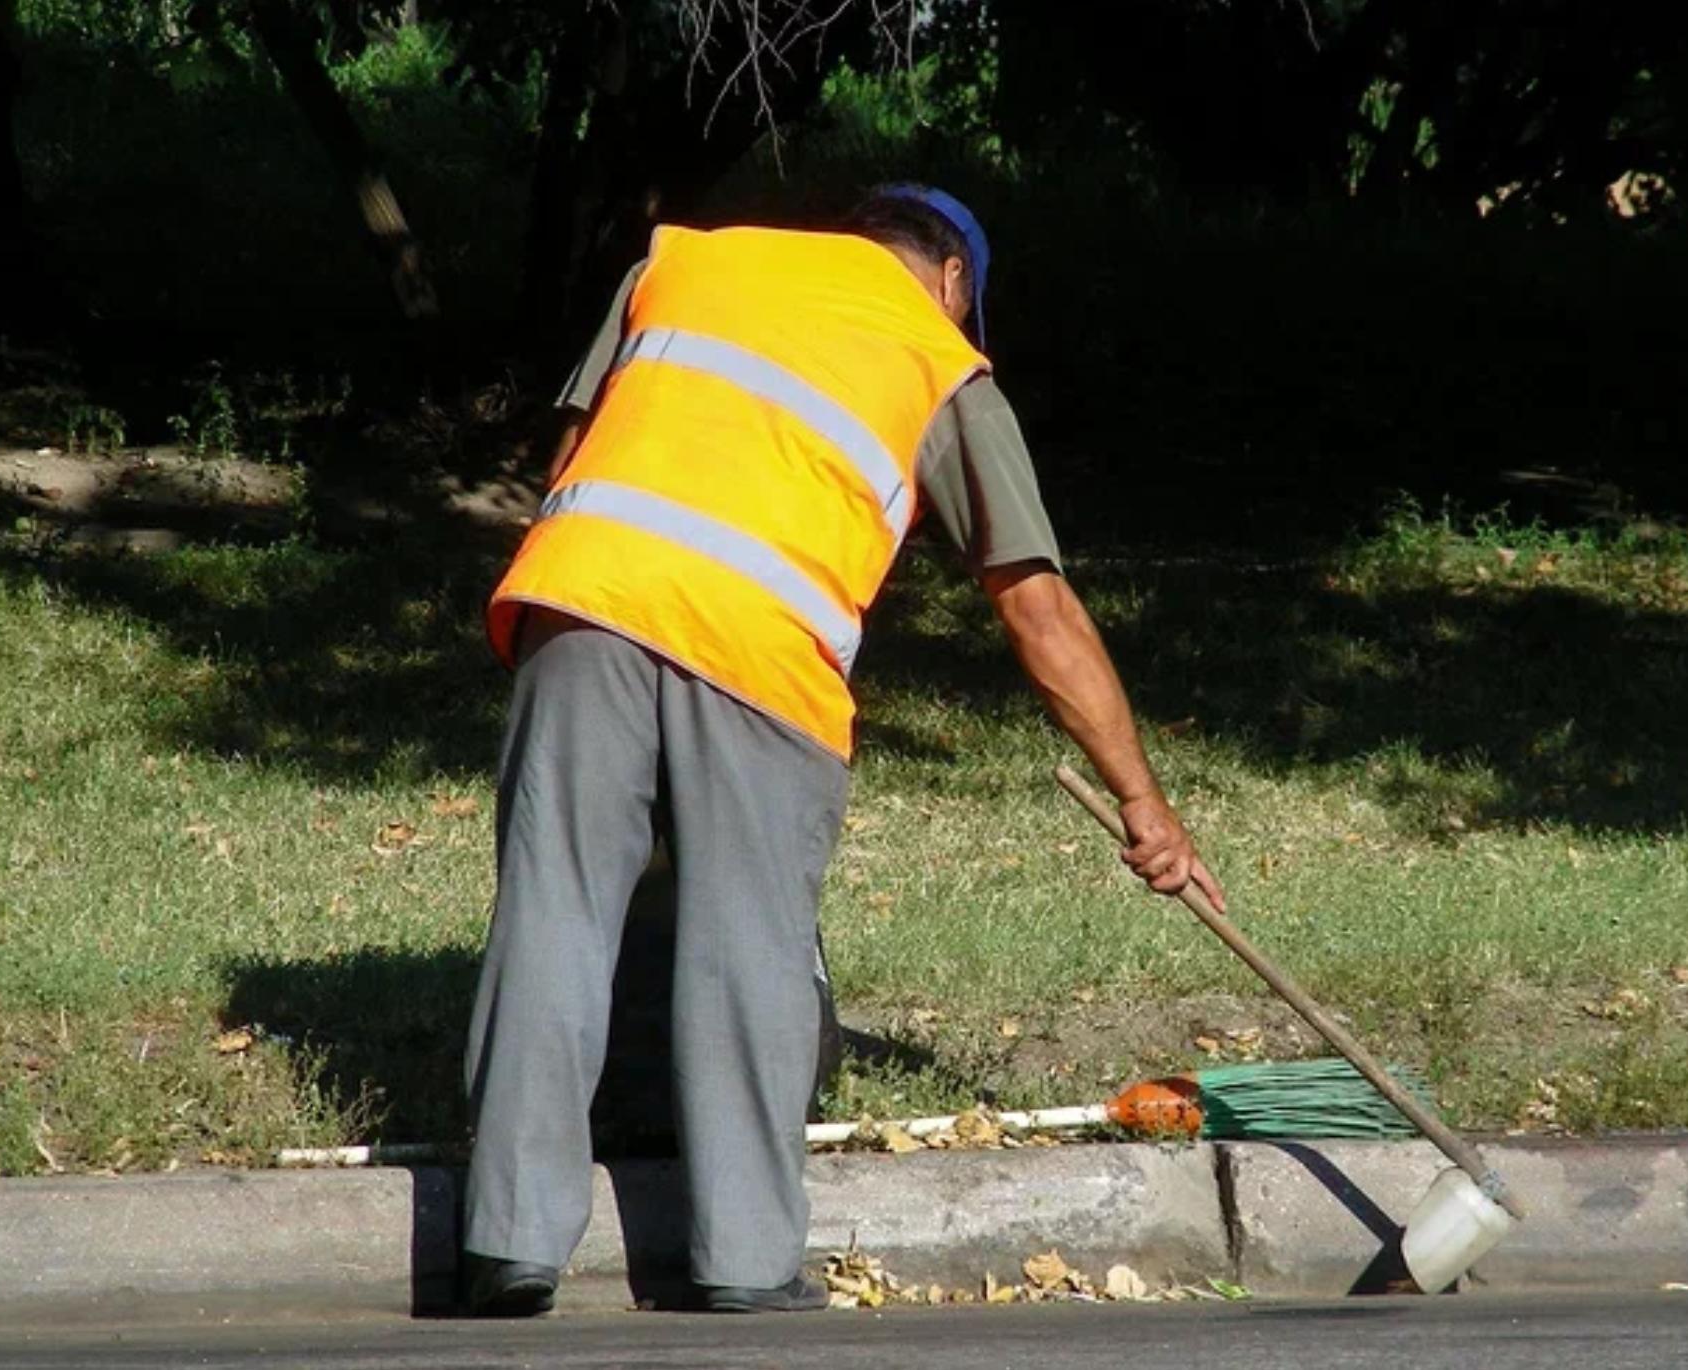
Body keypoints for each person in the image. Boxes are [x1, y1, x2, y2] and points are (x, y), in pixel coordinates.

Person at [462, 185, 1226, 1316]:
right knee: (749, 942)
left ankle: (507, 1244)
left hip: (580, 603)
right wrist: (1146, 807)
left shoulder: (682, 264)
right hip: (760, 651)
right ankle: (744, 1258)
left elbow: (574, 451)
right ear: (956, 282)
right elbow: (1037, 609)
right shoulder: (935, 357)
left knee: (554, 912)